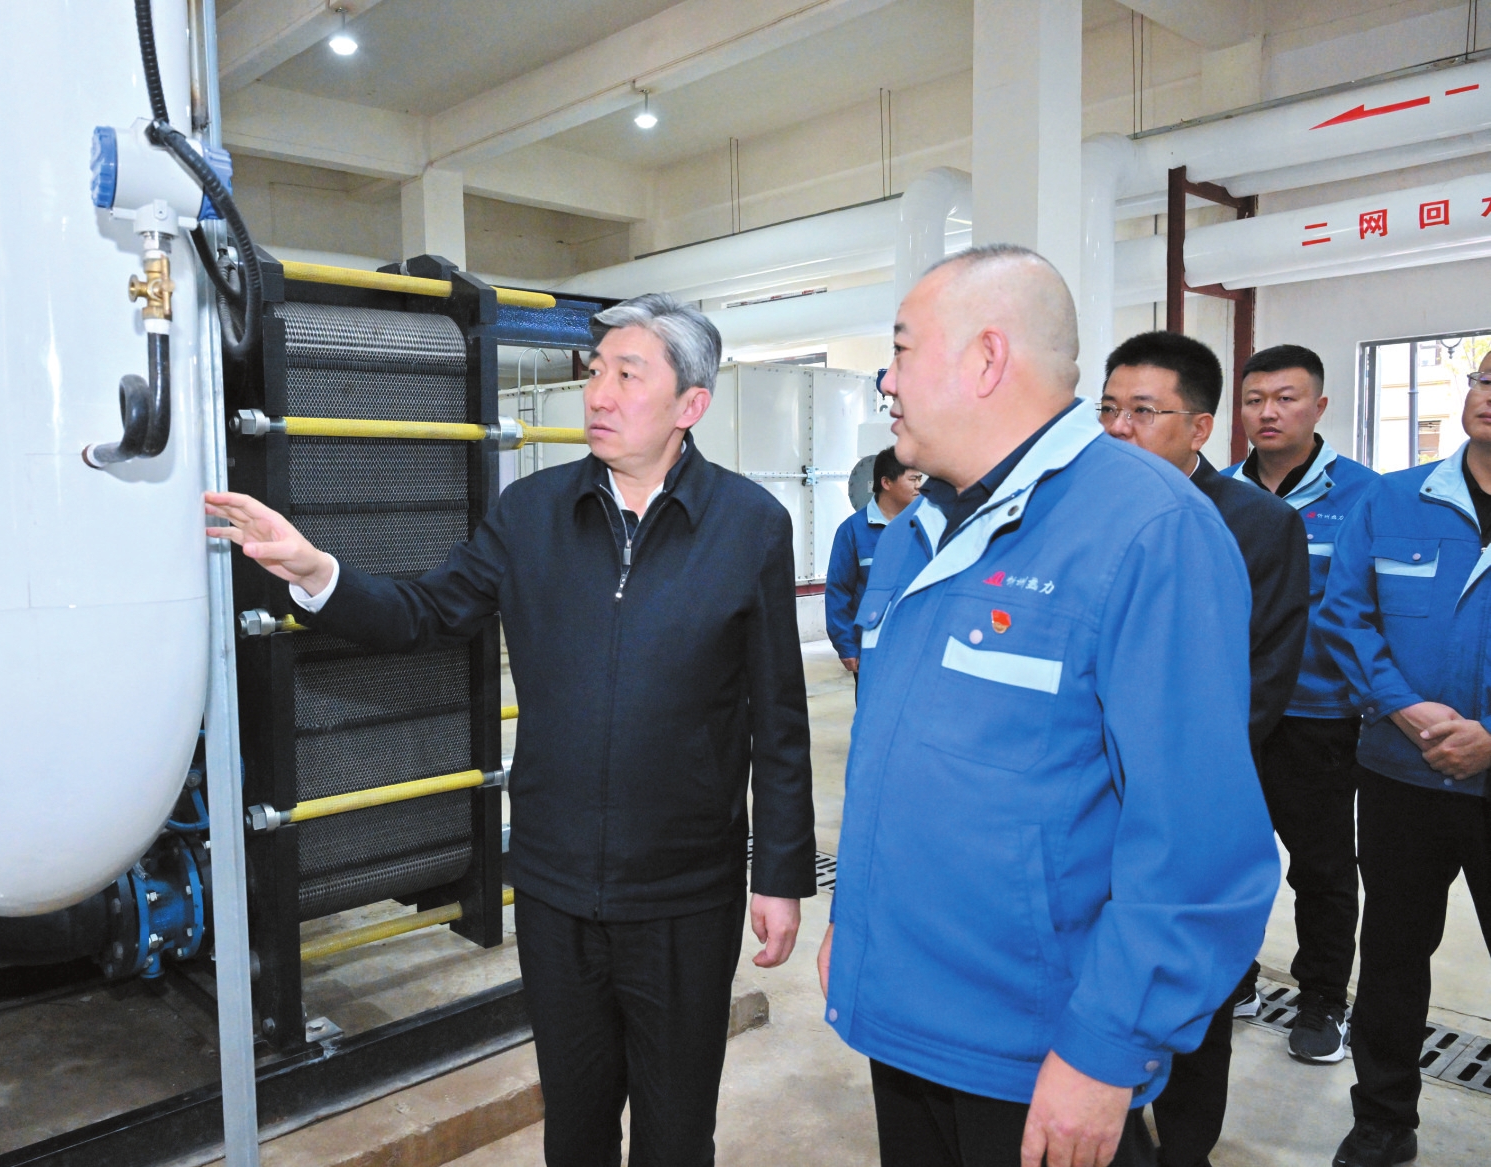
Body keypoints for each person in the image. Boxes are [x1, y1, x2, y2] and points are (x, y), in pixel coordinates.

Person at [205, 293, 816, 1167]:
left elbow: (779, 716)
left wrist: (780, 874)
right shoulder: (532, 515)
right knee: (575, 1125)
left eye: (627, 374)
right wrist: (316, 571)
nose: (597, 393)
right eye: (595, 371)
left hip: (684, 893)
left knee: (678, 1133)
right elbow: (425, 610)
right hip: (556, 887)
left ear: (691, 404)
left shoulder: (749, 526)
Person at [816, 245, 1279, 1167]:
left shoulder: (1149, 531)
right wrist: (857, 924)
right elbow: (899, 762)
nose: (886, 382)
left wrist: (1109, 1046)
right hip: (902, 1013)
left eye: (901, 351)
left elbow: (1197, 841)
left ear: (987, 358)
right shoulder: (912, 532)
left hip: (1035, 1044)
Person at [1099, 331, 1309, 1167]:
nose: (1120, 427)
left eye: (1143, 411)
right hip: (1097, 803)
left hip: (1197, 805)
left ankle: (1186, 1146)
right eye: (1108, 409)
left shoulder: (1258, 523)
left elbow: (1265, 676)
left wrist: (1174, 772)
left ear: (1199, 427)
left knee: (1192, 988)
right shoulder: (1083, 515)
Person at [1316, 351, 1491, 1167]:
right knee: (1391, 956)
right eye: (1485, 380)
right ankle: (1383, 1118)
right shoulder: (1393, 499)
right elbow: (1345, 613)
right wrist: (1404, 706)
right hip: (1399, 772)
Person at [1225, 343, 1380, 1065]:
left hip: (1319, 717)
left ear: (1319, 406)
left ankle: (1322, 1000)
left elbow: (1370, 610)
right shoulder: (1219, 494)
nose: (1268, 412)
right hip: (1232, 713)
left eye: (1285, 398)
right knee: (1228, 855)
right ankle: (1236, 979)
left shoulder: (1367, 496)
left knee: (1321, 867)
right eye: (1254, 399)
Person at [826, 446, 921, 673]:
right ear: (886, 482)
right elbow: (839, 592)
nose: (919, 486)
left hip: (916, 646)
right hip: (870, 648)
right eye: (913, 479)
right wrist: (846, 645)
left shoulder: (924, 526)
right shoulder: (852, 531)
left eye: (920, 479)